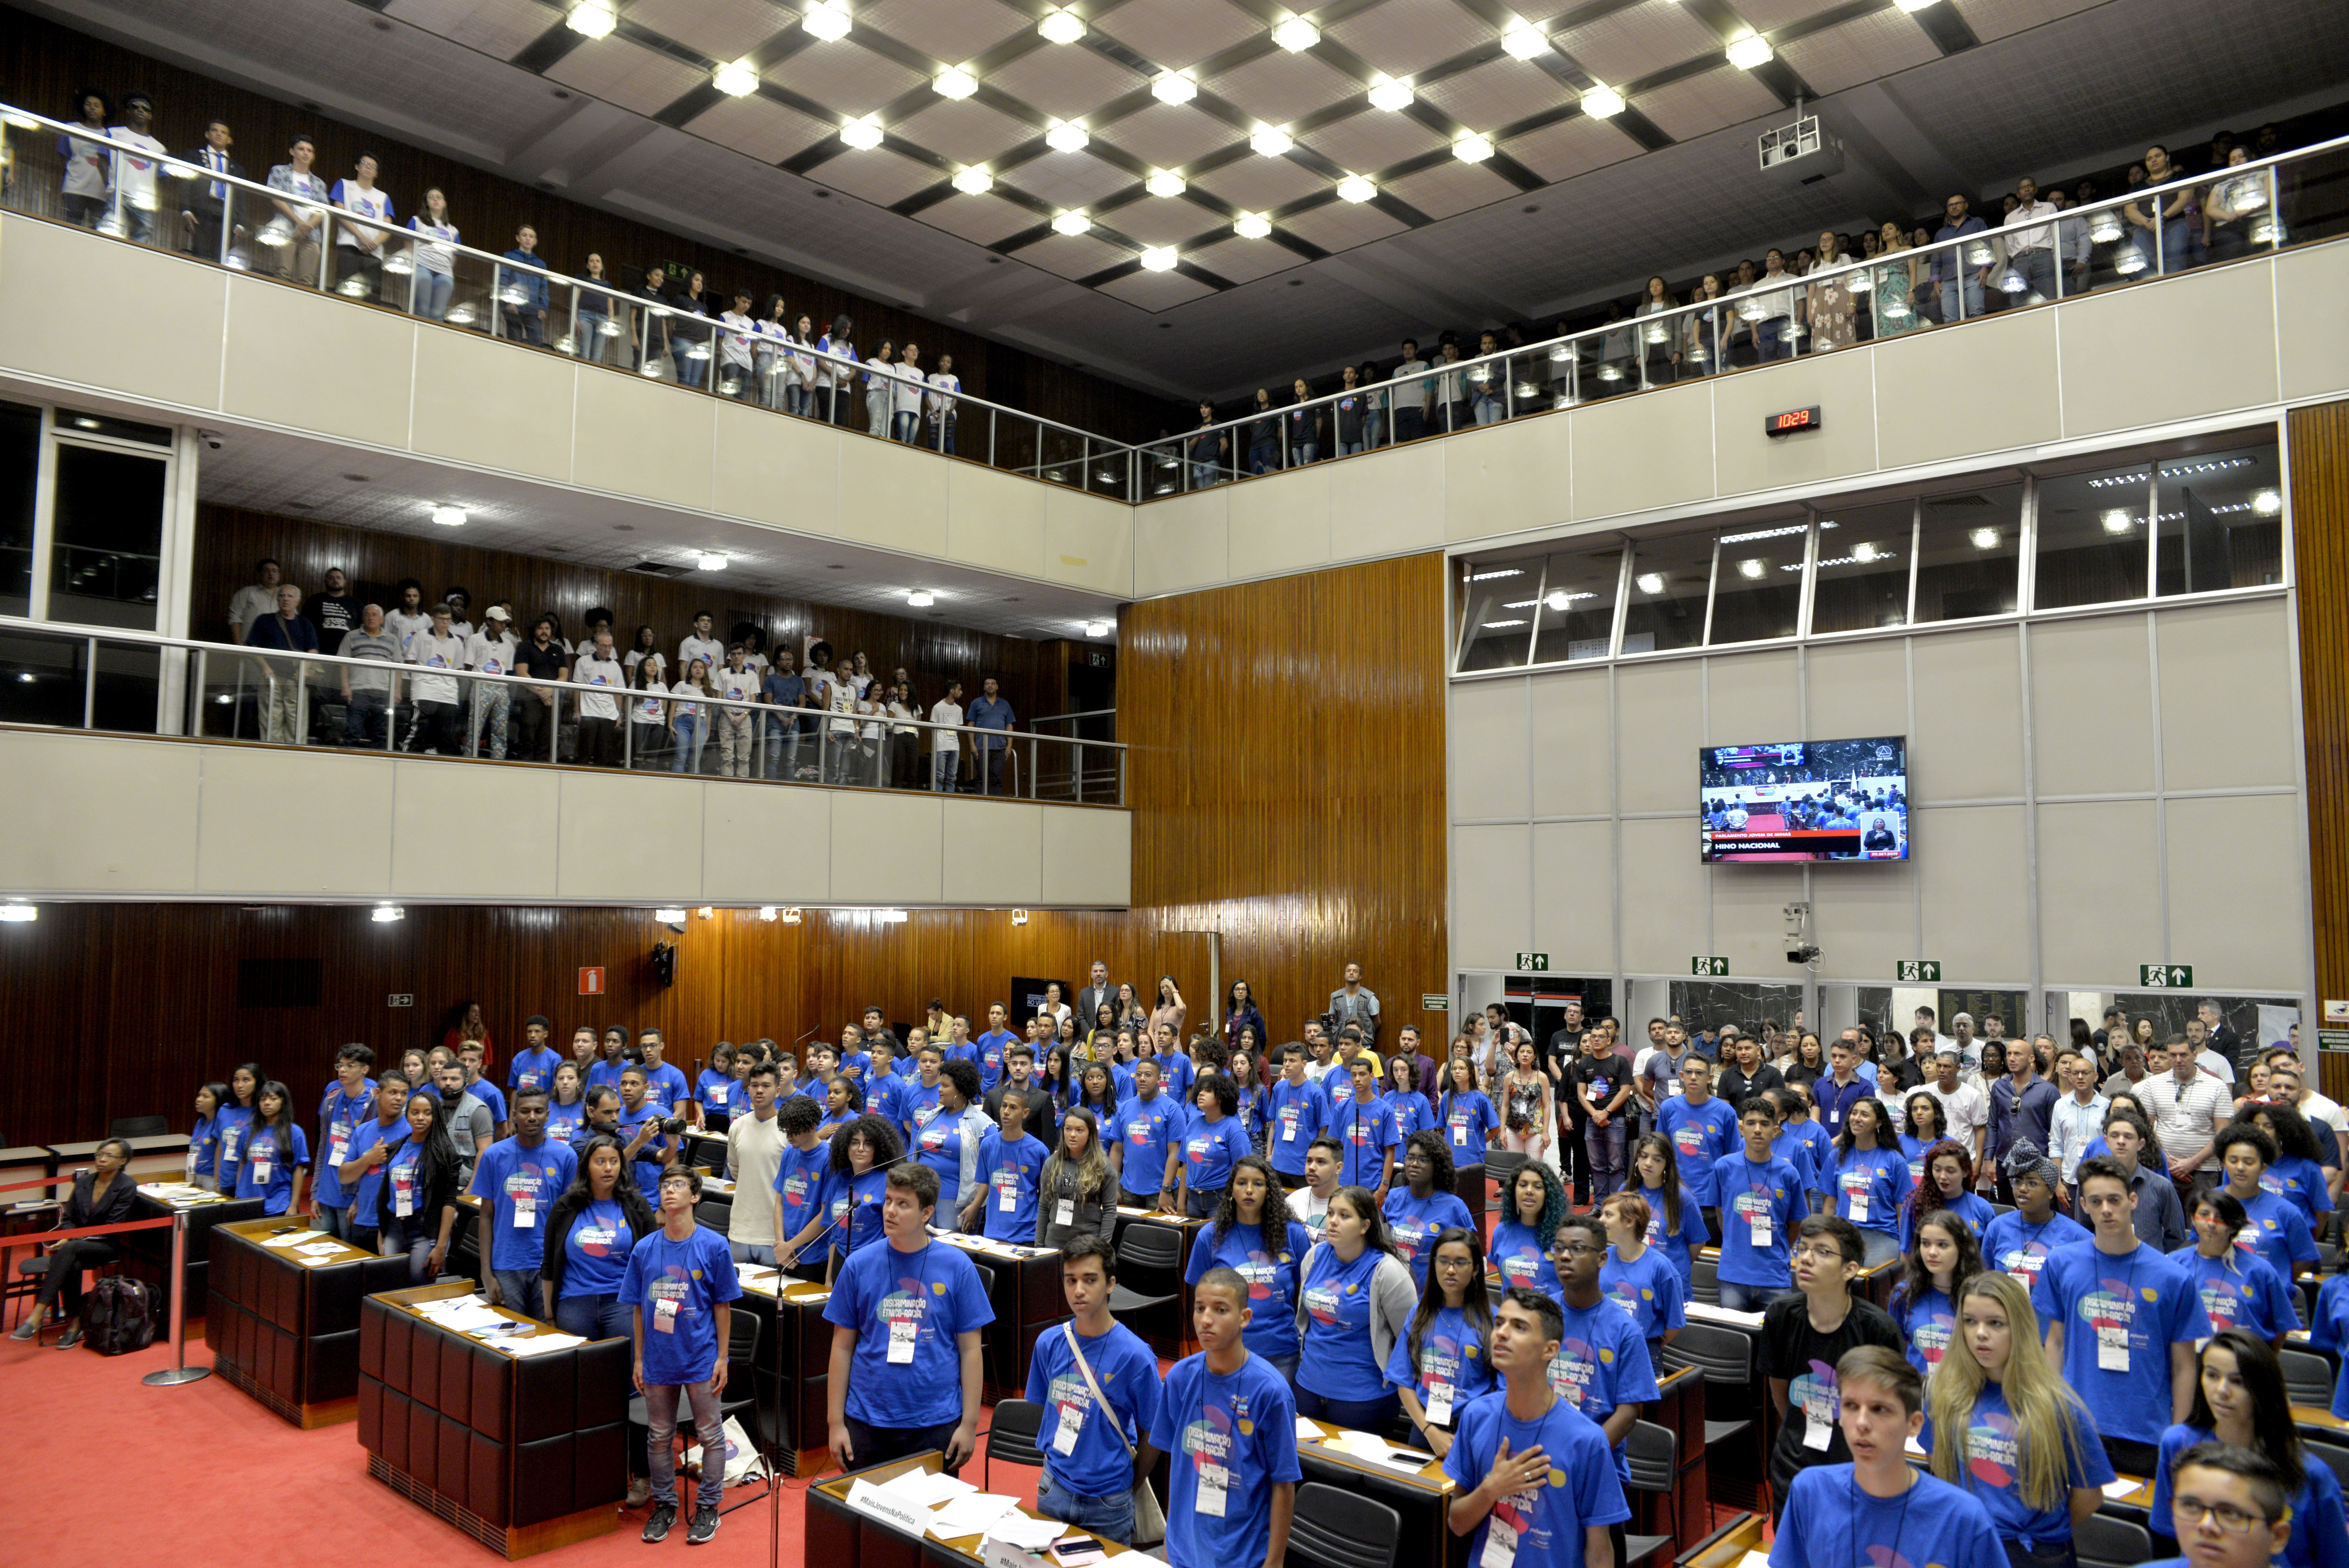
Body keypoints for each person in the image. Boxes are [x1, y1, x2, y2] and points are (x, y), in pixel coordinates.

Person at [2030, 1155, 2211, 1475]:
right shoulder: (2061, 1264)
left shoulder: (2173, 1277)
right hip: (2078, 1424)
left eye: (2115, 1200)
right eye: (2096, 1202)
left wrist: (2179, 1438)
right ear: (2083, 1205)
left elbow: (2185, 1366)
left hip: (2147, 1432)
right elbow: (2055, 1344)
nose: (2106, 1210)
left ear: (2133, 1201)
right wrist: (2051, 1413)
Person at [1927, 1269, 2117, 1562]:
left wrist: (2046, 1534)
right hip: (1969, 1545)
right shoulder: (1945, 1393)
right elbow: (1938, 1465)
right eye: (1970, 1321)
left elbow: (2089, 1496)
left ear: (2019, 1327)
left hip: (2036, 1553)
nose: (1980, 1333)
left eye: (1995, 1323)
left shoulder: (2058, 1404)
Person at [1444, 1285, 1632, 1568]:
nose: (1502, 1333)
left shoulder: (1587, 1440)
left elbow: (1599, 1552)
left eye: (1519, 1327)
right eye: (1499, 1323)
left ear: (1550, 1350)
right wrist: (1492, 1489)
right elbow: (1457, 1524)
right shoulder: (1476, 1416)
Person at [825, 1163, 994, 1472]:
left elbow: (971, 1350)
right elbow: (841, 1346)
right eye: (888, 1200)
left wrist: (970, 1424)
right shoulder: (858, 1265)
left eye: (903, 1204)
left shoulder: (958, 1267)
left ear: (927, 1213)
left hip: (935, 1422)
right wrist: (835, 1423)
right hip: (866, 1421)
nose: (890, 1211)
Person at [1770, 1347, 2004, 1568]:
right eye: (1851, 1406)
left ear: (1914, 1424)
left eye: (1879, 1409)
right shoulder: (1810, 1491)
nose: (1862, 1423)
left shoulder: (1963, 1517)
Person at [2149, 1331, 2349, 1568]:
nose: (2221, 1390)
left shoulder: (2312, 1474)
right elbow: (2167, 1535)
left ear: (2263, 1389)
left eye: (2238, 1381)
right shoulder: (2177, 1444)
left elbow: (2336, 1560)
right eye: (2212, 1375)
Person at [1150, 1265, 1301, 1568]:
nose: (1206, 1320)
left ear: (1245, 1318)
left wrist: (1274, 1563)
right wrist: (1169, 1546)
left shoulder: (1271, 1391)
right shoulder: (1180, 1378)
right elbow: (1176, 1468)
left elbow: (1284, 1485)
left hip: (1241, 1556)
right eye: (1200, 1308)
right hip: (1183, 1553)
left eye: (1220, 1310)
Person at [622, 1167, 738, 1545]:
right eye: (664, 1185)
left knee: (710, 1434)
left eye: (678, 1185)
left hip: (701, 1356)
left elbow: (723, 1306)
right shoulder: (644, 1248)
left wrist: (722, 1357)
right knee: (659, 1436)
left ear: (695, 1196)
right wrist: (639, 1359)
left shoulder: (714, 1246)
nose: (669, 1191)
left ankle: (708, 1507)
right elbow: (638, 1308)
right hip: (658, 1357)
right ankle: (665, 1506)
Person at [1022, 1234, 1163, 1543]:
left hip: (1109, 1500)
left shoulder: (1135, 1356)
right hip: (1053, 1487)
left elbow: (1156, 1430)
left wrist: (1130, 1483)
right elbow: (1042, 1413)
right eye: (1070, 1280)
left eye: (1090, 1280)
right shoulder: (1048, 1343)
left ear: (1111, 1284)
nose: (1079, 1290)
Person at [1763, 1214, 1906, 1506]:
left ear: (1849, 1269)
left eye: (1822, 1252)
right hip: (1793, 1469)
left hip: (1855, 1472)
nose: (1806, 1258)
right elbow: (1779, 1390)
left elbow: (1889, 1410)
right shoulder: (1780, 1316)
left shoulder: (1877, 1330)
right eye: (1803, 1248)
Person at [1293, 1185, 1417, 1429]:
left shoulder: (1388, 1272)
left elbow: (1411, 1338)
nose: (1333, 1221)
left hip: (1364, 1397)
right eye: (1330, 1213)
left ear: (1365, 1226)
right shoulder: (1315, 1256)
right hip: (1308, 1386)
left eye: (1344, 1215)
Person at [11, 1136, 136, 1346]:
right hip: (77, 1247)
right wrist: (69, 1235)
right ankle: (74, 1324)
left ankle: (37, 1315)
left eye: (109, 1156)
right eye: (99, 1155)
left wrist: (71, 1238)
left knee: (70, 1249)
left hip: (105, 1245)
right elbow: (69, 1218)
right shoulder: (84, 1182)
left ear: (123, 1161)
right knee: (72, 1261)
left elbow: (112, 1226)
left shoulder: (127, 1186)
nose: (102, 1159)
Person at [469, 1087, 578, 1315]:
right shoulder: (494, 1155)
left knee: (545, 1331)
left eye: (539, 1111)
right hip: (506, 1263)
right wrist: (486, 1273)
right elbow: (486, 1216)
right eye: (525, 1111)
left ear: (548, 1115)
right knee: (510, 1331)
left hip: (547, 1264)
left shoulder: (566, 1156)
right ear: (514, 1115)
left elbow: (570, 1219)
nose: (532, 1117)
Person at [2171, 1190, 2302, 1345]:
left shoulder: (2261, 1271)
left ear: (2234, 1226)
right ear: (2193, 1219)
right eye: (2204, 1215)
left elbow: (2282, 1325)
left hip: (2245, 1355)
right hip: (2187, 1355)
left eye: (2221, 1218)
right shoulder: (2173, 1263)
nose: (2211, 1223)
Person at [1714, 1096, 1807, 1310]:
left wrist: (1779, 1248)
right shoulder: (1724, 1167)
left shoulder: (1789, 1173)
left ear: (1775, 1131)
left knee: (1774, 1333)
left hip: (1774, 1276)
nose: (1757, 1130)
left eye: (1765, 1124)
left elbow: (1796, 1224)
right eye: (1751, 1123)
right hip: (1733, 1275)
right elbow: (1721, 1213)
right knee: (1734, 1332)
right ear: (1741, 1129)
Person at [2207, 1121, 2319, 1284]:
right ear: (2224, 1163)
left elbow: (2305, 1258)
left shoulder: (2287, 1211)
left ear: (2263, 1168)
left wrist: (2276, 1284)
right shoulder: (2209, 1203)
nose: (2240, 1167)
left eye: (2249, 1162)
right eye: (2233, 1160)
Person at [372, 1088, 463, 1283]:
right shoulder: (396, 1147)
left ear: (435, 1116)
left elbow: (449, 1201)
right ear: (407, 1115)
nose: (420, 1118)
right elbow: (388, 1193)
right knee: (390, 1286)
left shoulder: (445, 1153)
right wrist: (382, 1232)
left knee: (418, 1288)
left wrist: (441, 1246)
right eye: (415, 1112)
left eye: (427, 1113)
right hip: (394, 1227)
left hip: (425, 1230)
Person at [1891, 1208, 1984, 1385]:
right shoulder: (1904, 1294)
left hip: (1965, 1389)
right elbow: (1896, 1350)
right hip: (1917, 1389)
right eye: (1926, 1244)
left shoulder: (1979, 1296)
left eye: (1942, 1245)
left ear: (1961, 1248)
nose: (1932, 1252)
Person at [1980, 1140, 2090, 1286]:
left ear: (2050, 1192)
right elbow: (1985, 1279)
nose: (2022, 1189)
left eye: (2032, 1183)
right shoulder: (1997, 1228)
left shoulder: (2077, 1236)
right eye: (2017, 1182)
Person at [1822, 1095, 1912, 1268]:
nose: (1857, 1118)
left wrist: (1905, 1252)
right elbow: (1830, 1205)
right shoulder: (1837, 1156)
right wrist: (1826, 1239)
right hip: (1844, 1237)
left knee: (1876, 1285)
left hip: (1882, 1236)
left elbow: (1902, 1211)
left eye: (1864, 1115)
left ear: (1879, 1123)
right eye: (1854, 1113)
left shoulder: (1894, 1160)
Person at [1382, 1131, 1474, 1291]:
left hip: (1434, 1294)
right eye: (1411, 1158)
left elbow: (1470, 1257)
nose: (1414, 1164)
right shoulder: (1395, 1197)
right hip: (1397, 1290)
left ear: (1437, 1166)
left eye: (1423, 1160)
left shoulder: (1454, 1207)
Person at [1628, 1133, 1710, 1287]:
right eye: (1644, 1156)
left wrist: (1677, 1267)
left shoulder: (1683, 1197)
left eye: (1657, 1159)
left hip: (1671, 1282)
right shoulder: (1627, 1191)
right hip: (1636, 1279)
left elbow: (1698, 1242)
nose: (1648, 1163)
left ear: (1667, 1163)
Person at [1037, 1107, 1120, 1251]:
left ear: (1090, 1134)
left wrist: (1101, 1250)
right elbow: (1044, 1207)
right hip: (1054, 1243)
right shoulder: (1052, 1163)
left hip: (1088, 1246)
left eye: (1079, 1130)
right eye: (1068, 1129)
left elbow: (1110, 1212)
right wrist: (1039, 1247)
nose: (1072, 1135)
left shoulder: (1103, 1167)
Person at [1111, 1056, 1186, 1212]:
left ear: (1159, 1079)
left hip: (1159, 1192)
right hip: (1128, 1189)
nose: (1142, 1079)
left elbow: (1175, 1153)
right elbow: (1117, 1150)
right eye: (1138, 1075)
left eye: (1148, 1075)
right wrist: (1112, 1187)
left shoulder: (1172, 1109)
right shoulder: (1124, 1108)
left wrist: (1166, 1190)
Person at [1899, 1139, 1996, 1251]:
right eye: (1937, 1170)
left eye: (1950, 1171)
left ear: (1965, 1172)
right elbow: (1906, 1252)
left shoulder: (1983, 1209)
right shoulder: (1915, 1204)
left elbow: (1989, 1255)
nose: (1943, 1177)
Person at [1492, 1158, 1568, 1297]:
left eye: (1538, 1187)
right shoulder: (1501, 1231)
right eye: (1523, 1185)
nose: (1529, 1191)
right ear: (1514, 1191)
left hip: (1550, 1310)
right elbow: (1505, 1281)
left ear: (1548, 1194)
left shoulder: (1563, 1236)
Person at [235, 1080, 311, 1215]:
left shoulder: (295, 1132)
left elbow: (298, 1170)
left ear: (283, 1102)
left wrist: (293, 1205)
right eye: (263, 1099)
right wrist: (238, 1192)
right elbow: (242, 1163)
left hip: (279, 1203)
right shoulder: (247, 1131)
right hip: (247, 1201)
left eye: (273, 1099)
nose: (267, 1103)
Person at [1267, 1043, 1332, 1190]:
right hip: (1278, 1164)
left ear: (1304, 1064)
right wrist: (1269, 1154)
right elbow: (1274, 1125)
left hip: (1303, 1167)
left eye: (1292, 1061)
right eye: (1285, 1061)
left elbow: (1324, 1129)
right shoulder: (1278, 1088)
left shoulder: (1317, 1093)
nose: (1287, 1065)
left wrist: (1315, 1159)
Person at [497, 225, 550, 346]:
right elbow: (503, 280)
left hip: (533, 309)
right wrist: (508, 302)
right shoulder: (510, 256)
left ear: (535, 241)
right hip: (513, 306)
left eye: (531, 237)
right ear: (518, 238)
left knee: (537, 343)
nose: (528, 239)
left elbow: (544, 288)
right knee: (515, 341)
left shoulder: (540, 264)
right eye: (524, 235)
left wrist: (543, 308)